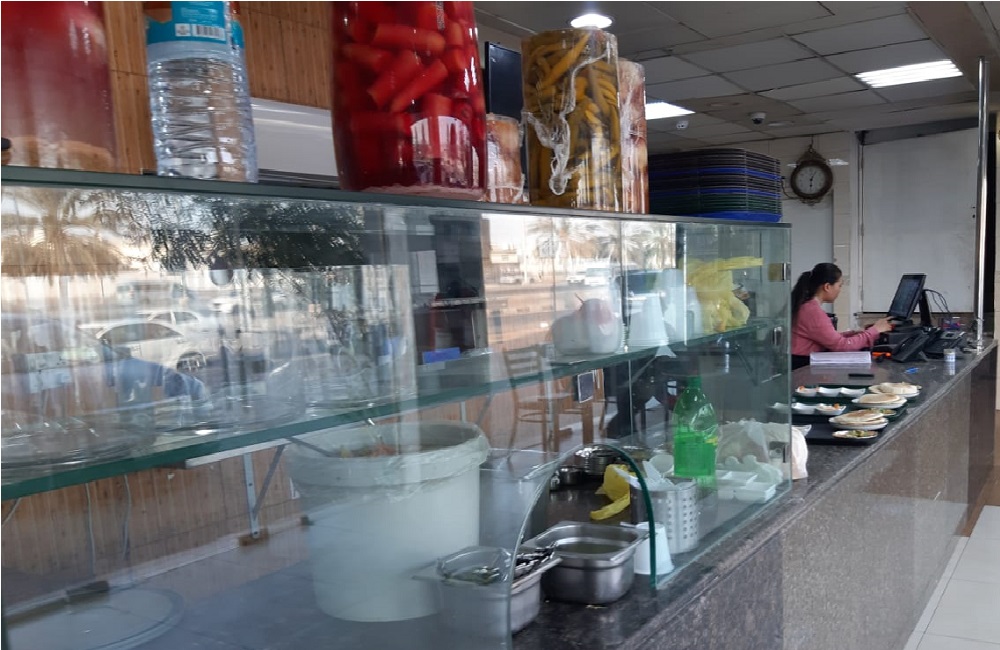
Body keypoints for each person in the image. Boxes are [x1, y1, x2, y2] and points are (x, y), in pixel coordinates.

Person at [791, 263, 892, 369]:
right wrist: (875, 331)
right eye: (839, 285)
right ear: (827, 287)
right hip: (802, 366)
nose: (840, 290)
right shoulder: (812, 311)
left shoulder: (807, 307)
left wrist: (855, 334)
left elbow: (829, 338)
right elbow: (842, 345)